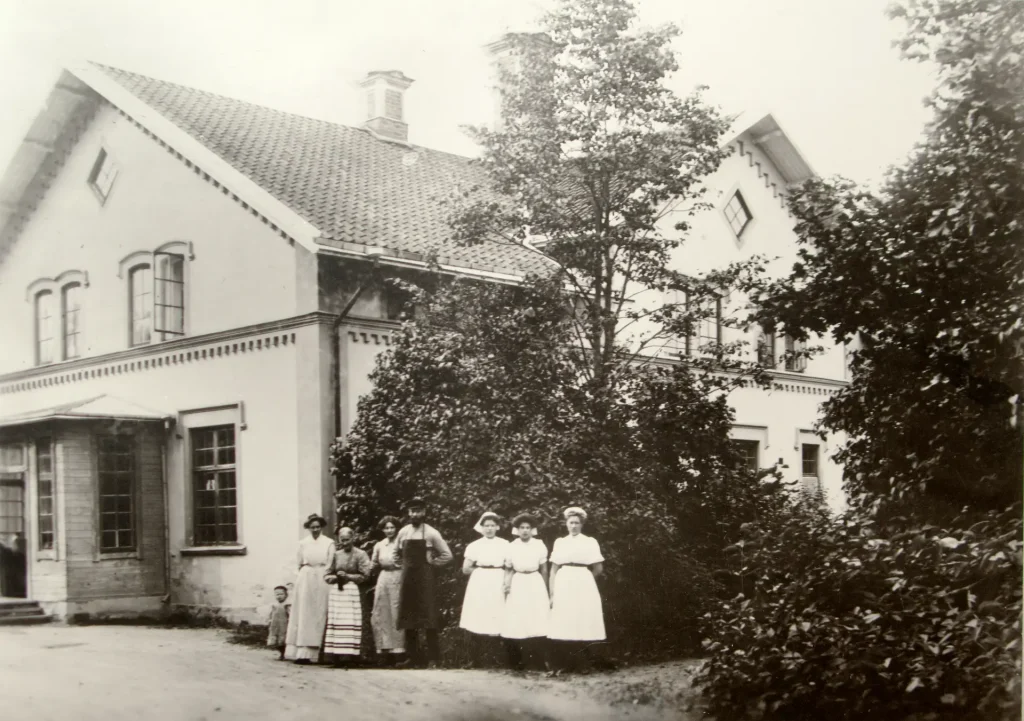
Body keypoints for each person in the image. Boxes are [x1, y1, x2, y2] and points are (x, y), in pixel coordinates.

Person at [394, 497, 453, 668]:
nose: (415, 514)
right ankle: (413, 658)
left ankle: (433, 659)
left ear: (424, 512)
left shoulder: (431, 533)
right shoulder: (403, 532)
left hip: (425, 580)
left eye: (418, 511)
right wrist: (401, 566)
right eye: (412, 511)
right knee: (408, 619)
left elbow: (447, 555)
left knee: (429, 618)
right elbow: (396, 554)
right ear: (408, 513)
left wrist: (432, 563)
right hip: (408, 580)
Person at [548, 506, 606, 672]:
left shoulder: (589, 542)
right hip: (563, 582)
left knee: (583, 620)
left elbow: (598, 568)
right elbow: (553, 570)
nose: (573, 526)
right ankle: (567, 664)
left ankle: (583, 664)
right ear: (566, 524)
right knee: (566, 621)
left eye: (577, 523)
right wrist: (552, 593)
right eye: (570, 522)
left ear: (582, 525)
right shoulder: (560, 542)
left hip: (583, 582)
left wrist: (585, 581)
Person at [459, 512, 510, 665]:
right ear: (481, 528)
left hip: (498, 579)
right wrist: (481, 572)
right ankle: (474, 659)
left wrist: (506, 582)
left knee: (497, 615)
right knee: (477, 616)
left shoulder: (505, 544)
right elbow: (465, 569)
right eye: (486, 526)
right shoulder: (474, 546)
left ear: (498, 527)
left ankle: (496, 659)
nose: (489, 529)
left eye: (492, 526)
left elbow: (509, 566)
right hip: (479, 581)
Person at [501, 514, 550, 671]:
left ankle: (539, 661)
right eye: (522, 528)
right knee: (516, 618)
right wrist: (506, 585)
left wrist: (546, 588)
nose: (525, 531)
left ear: (532, 529)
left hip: (535, 581)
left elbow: (544, 569)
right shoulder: (511, 546)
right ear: (517, 529)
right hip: (518, 581)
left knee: (537, 618)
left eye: (528, 528)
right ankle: (516, 662)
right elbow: (508, 569)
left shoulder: (539, 545)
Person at [284, 513, 334, 664]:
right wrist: (303, 575)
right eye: (312, 527)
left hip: (322, 576)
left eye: (318, 527)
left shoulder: (329, 542)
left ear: (322, 527)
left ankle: (320, 653)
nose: (315, 530)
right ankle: (302, 652)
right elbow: (298, 562)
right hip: (306, 577)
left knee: (320, 610)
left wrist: (324, 574)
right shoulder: (303, 543)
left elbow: (330, 562)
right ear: (308, 528)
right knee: (305, 611)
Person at [323, 526, 372, 666]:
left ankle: (353, 657)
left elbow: (366, 575)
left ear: (353, 538)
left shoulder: (361, 554)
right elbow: (326, 574)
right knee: (337, 623)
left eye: (348, 539)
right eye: (342, 540)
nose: (345, 543)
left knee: (352, 623)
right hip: (338, 594)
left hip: (353, 593)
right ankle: (336, 656)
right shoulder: (336, 555)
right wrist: (333, 578)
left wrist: (348, 576)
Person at [370, 515, 405, 666]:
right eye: (386, 528)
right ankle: (385, 651)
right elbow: (372, 564)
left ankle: (399, 652)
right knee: (381, 612)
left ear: (396, 528)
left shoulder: (402, 544)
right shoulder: (379, 545)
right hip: (383, 578)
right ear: (383, 530)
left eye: (392, 527)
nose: (389, 530)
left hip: (398, 577)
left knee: (396, 612)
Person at [266, 585, 291, 660]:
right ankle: (281, 653)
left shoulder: (287, 605)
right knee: (276, 639)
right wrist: (269, 620)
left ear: (286, 595)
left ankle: (283, 653)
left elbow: (290, 614)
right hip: (275, 624)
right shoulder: (274, 605)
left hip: (284, 624)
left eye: (281, 594)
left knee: (283, 639)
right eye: (277, 594)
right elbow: (271, 613)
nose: (279, 596)